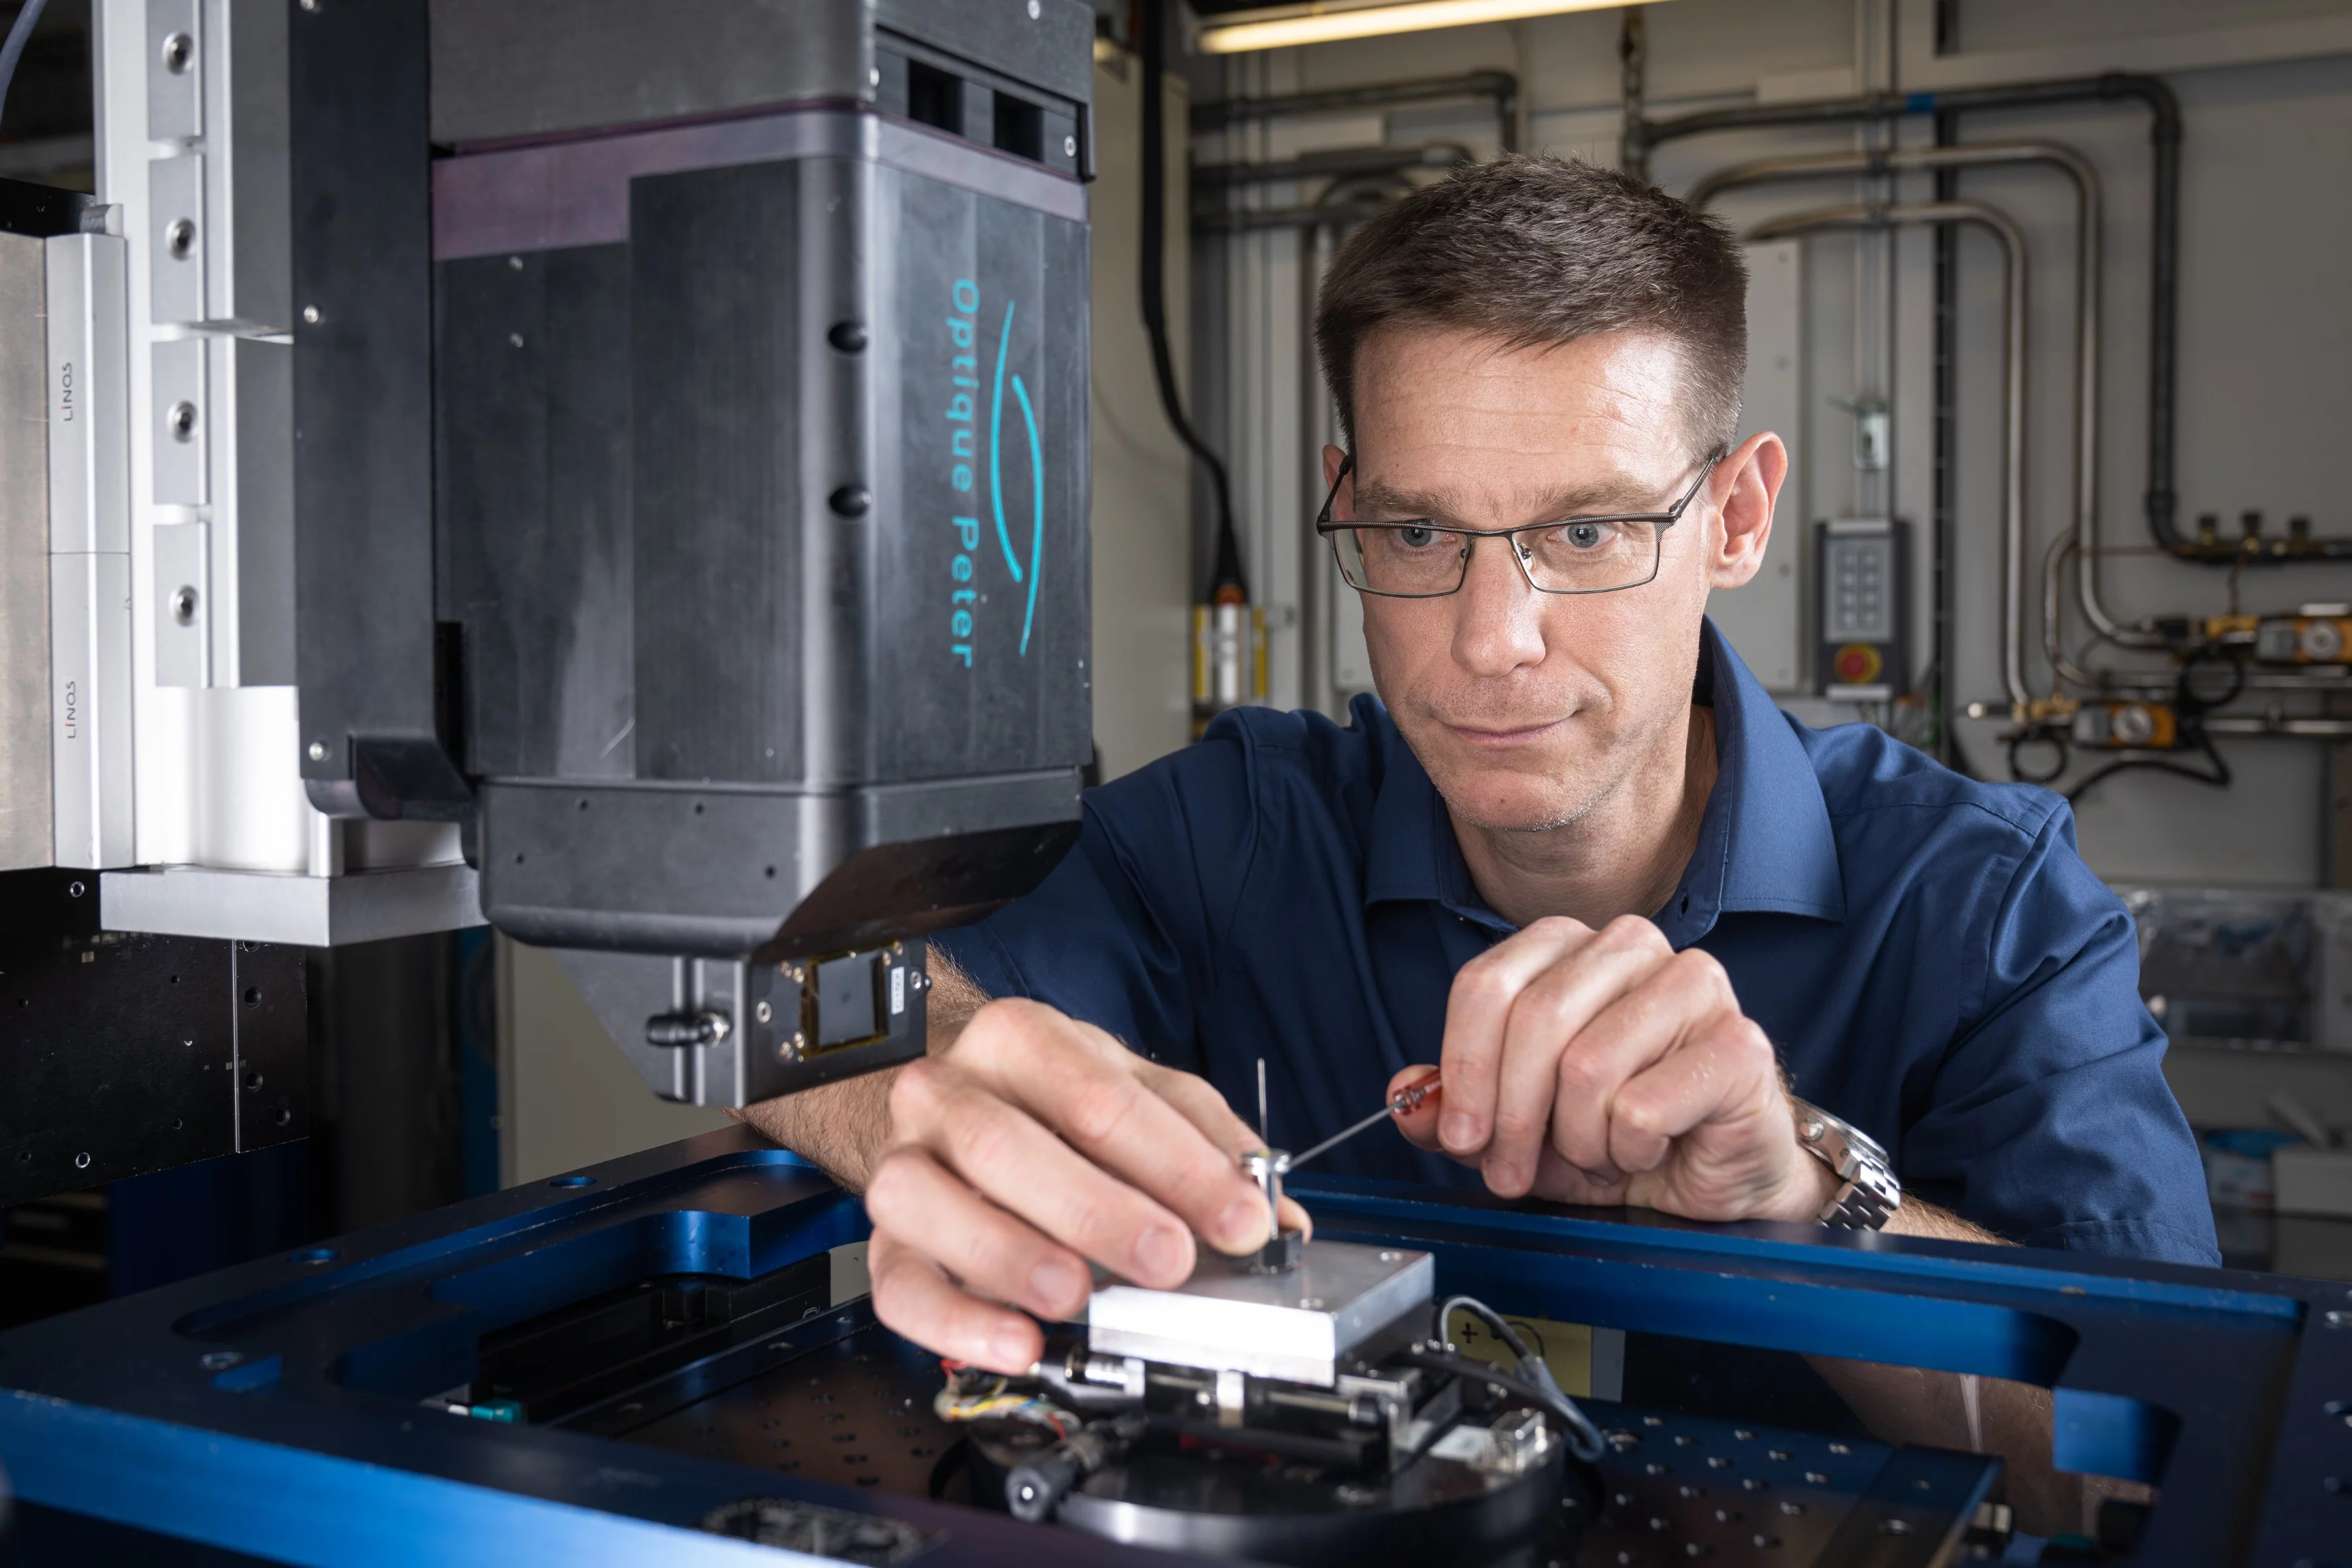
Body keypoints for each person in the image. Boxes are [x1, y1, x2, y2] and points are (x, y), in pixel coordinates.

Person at [741, 155, 2217, 1397]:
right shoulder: (1233, 833)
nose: (1491, 642)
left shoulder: (1986, 905)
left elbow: (2173, 1438)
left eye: (1586, 534)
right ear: (1346, 502)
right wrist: (911, 1091)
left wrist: (1802, 1200)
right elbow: (792, 981)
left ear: (1738, 515)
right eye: (1415, 535)